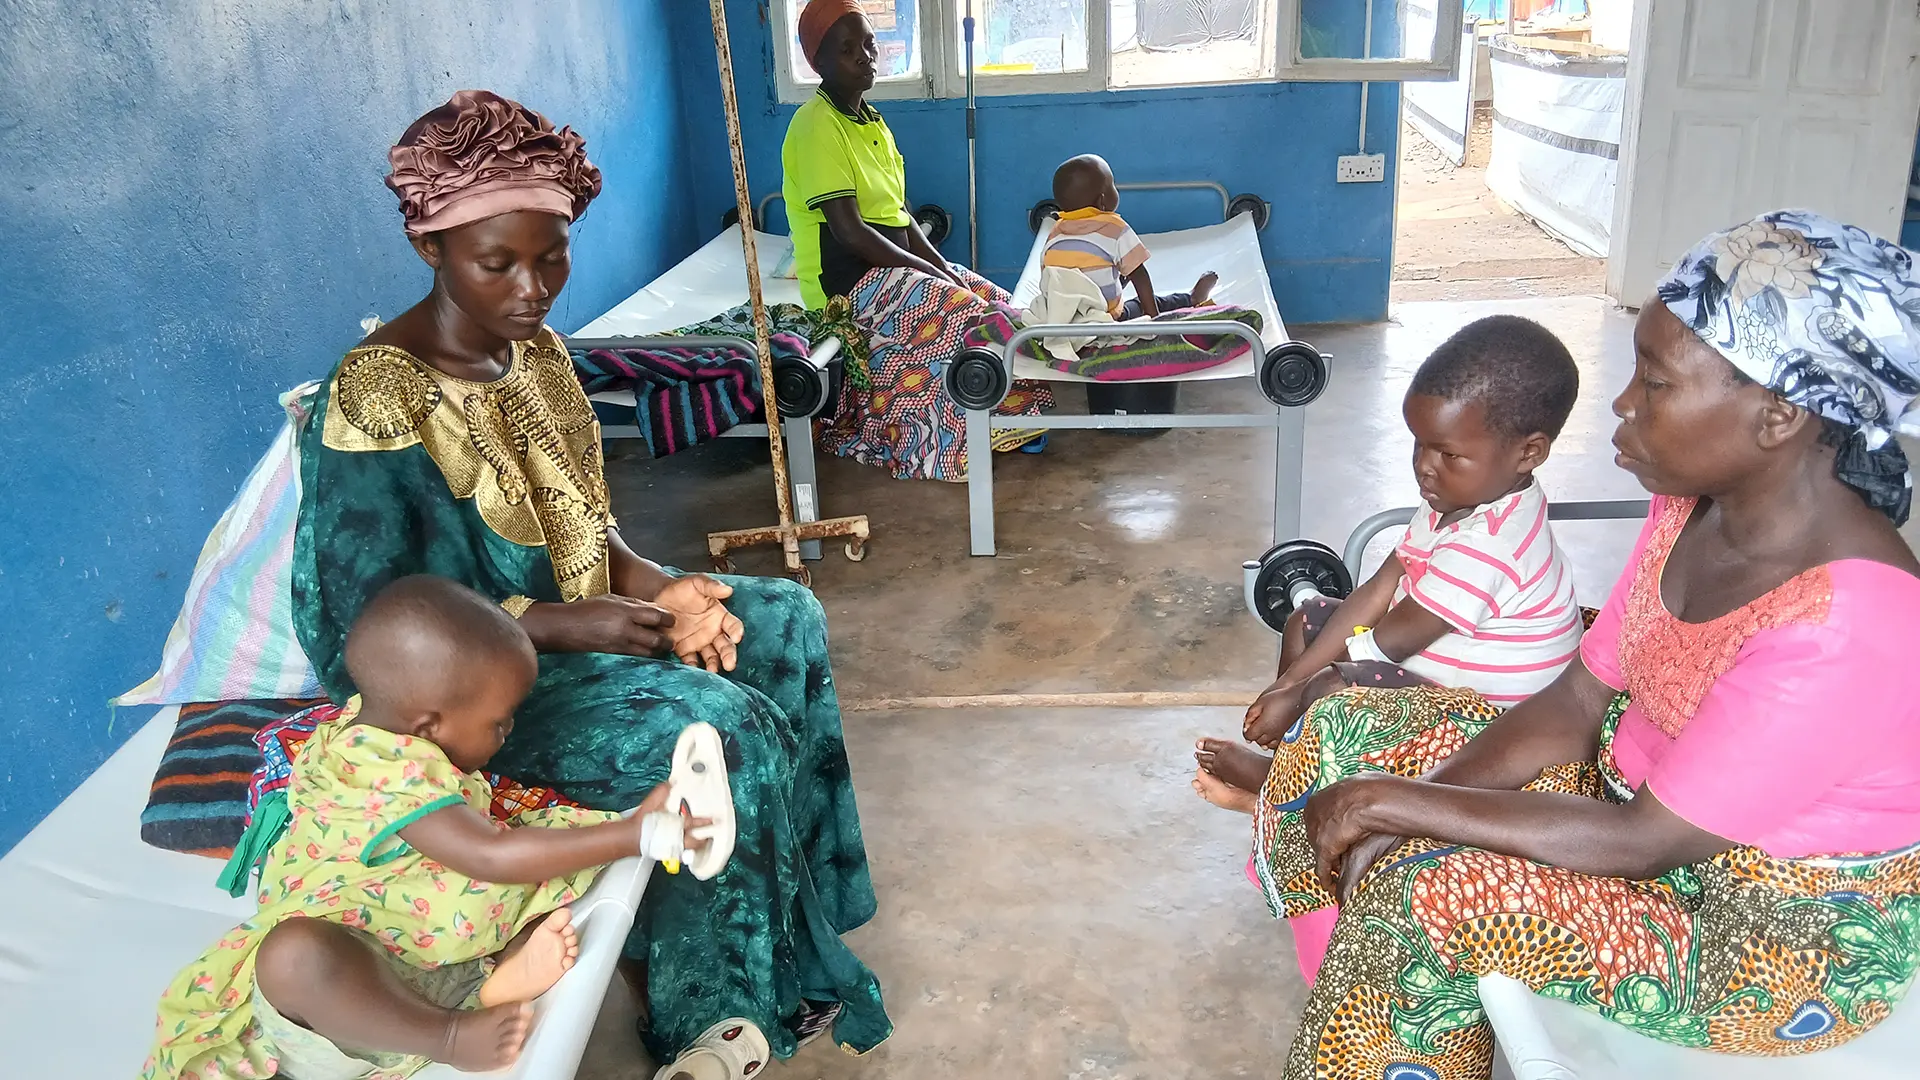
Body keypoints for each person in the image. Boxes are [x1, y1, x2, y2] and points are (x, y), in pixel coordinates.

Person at [1229, 210, 1920, 1080]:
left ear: (1778, 415)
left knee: (1431, 892)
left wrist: (1397, 810)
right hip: (1621, 798)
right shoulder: (1689, 510)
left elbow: (1644, 842)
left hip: (1760, 931)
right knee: (1342, 730)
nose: (1624, 404)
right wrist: (1409, 801)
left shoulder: (1847, 624)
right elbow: (1579, 696)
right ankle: (1354, 978)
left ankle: (1378, 1006)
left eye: (1656, 383)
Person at [292, 90, 889, 1066]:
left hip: (574, 631)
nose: (533, 289)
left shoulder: (537, 359)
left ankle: (790, 930)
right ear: (431, 247)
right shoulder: (375, 396)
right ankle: (703, 1012)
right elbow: (361, 627)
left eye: (553, 257)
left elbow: (585, 523)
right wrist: (571, 626)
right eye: (499, 264)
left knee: (781, 620)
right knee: (714, 726)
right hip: (458, 698)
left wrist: (658, 592)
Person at [144, 576, 707, 1079]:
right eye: (500, 721)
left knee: (539, 849)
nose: (509, 732)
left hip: (395, 939)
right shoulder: (387, 771)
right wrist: (632, 836)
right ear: (429, 725)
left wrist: (628, 824)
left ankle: (488, 983)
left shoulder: (376, 722)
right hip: (337, 1014)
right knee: (292, 956)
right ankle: (451, 1034)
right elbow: (489, 856)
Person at [1194, 315, 1585, 820]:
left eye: (1449, 454)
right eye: (1420, 443)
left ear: (1528, 453)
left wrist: (1302, 690)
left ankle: (1287, 788)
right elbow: (1380, 588)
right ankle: (1294, 762)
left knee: (1335, 684)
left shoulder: (1492, 545)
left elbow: (1386, 642)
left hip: (1489, 728)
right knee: (1307, 619)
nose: (1425, 466)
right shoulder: (1458, 500)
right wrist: (1286, 686)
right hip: (1440, 685)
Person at [781, 0, 1050, 480]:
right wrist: (925, 272)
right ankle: (956, 435)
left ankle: (1010, 412)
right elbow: (849, 231)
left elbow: (900, 217)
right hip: (846, 285)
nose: (865, 55)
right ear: (817, 62)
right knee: (968, 315)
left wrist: (942, 268)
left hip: (888, 267)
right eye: (847, 48)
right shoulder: (814, 125)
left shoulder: (871, 122)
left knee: (1000, 303)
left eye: (868, 43)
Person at [1042, 154, 1217, 319]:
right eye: (1112, 185)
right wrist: (1154, 320)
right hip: (1108, 320)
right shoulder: (1114, 227)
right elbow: (1140, 276)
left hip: (1065, 320)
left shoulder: (1055, 233)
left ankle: (1118, 280)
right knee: (1142, 302)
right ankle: (1192, 298)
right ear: (1102, 201)